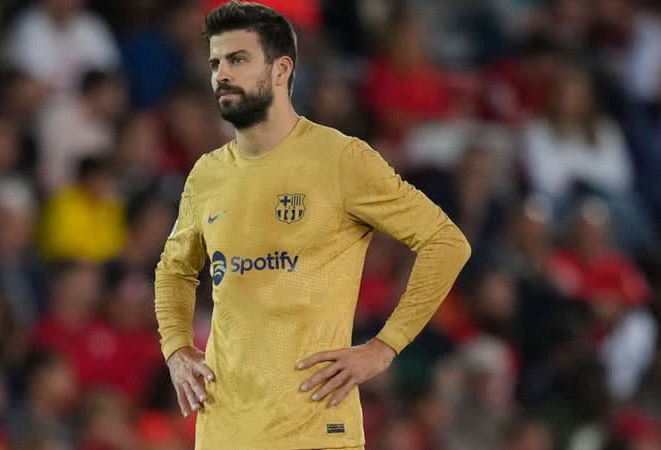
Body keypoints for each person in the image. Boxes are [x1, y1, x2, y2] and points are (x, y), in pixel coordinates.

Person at [153, 2, 471, 450]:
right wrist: (176, 349)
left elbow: (446, 242)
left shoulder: (340, 159)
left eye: (238, 59)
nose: (221, 74)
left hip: (316, 431)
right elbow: (174, 270)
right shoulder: (207, 174)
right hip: (225, 432)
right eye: (216, 62)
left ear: (281, 69)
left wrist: (385, 347)